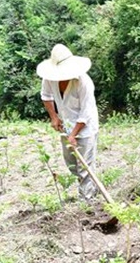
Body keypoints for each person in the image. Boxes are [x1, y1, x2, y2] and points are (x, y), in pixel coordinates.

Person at [37, 43, 100, 201]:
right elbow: (46, 96)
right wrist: (54, 116)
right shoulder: (49, 78)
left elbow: (86, 112)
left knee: (85, 163)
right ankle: (90, 188)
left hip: (85, 128)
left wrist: (74, 134)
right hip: (66, 126)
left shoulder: (83, 82)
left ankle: (87, 199)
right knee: (71, 163)